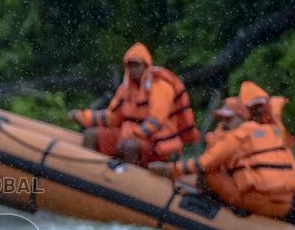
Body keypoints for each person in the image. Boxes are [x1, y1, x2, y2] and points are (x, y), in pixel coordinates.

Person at [148, 98, 295, 218]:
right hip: (286, 204)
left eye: (228, 119)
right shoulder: (271, 131)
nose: (223, 123)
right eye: (222, 119)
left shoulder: (237, 136)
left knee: (209, 171)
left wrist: (171, 169)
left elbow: (204, 163)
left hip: (261, 202)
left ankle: (203, 205)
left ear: (242, 117)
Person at [67, 42, 198, 165]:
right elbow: (112, 117)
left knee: (129, 146)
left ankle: (129, 183)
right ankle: (88, 175)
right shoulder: (126, 89)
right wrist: (82, 116)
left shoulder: (160, 86)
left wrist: (133, 135)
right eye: (130, 65)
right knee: (91, 134)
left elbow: (155, 121)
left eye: (136, 64)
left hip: (158, 143)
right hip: (131, 137)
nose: (133, 69)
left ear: (146, 65)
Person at [239, 80, 295, 148]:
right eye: (254, 107)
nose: (258, 110)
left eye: (259, 105)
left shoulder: (281, 113)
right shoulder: (239, 126)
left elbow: (291, 139)